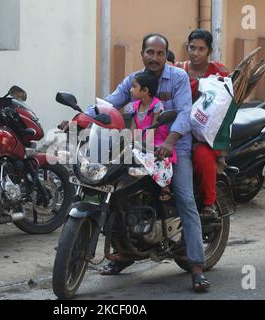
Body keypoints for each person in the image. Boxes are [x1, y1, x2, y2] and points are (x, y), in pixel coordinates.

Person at [60, 33, 209, 291]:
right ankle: (124, 252)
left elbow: (184, 113)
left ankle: (196, 266)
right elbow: (107, 105)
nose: (154, 57)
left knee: (185, 199)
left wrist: (171, 141)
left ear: (166, 55)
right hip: (139, 146)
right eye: (149, 52)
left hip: (174, 147)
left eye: (160, 53)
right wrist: (77, 121)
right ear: (142, 54)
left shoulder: (178, 78)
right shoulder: (134, 81)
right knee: (115, 188)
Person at [175, 29, 230, 220]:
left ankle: (209, 204)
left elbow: (226, 106)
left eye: (201, 49)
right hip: (179, 131)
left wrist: (222, 152)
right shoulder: (177, 70)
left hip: (208, 135)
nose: (195, 53)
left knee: (201, 156)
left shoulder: (220, 72)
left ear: (209, 51)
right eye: (192, 48)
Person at [124, 70, 176, 201]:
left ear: (145, 90)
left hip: (155, 140)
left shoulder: (156, 106)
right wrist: (131, 142)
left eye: (134, 86)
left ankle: (165, 186)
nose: (131, 90)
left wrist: (141, 146)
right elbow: (133, 126)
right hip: (139, 140)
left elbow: (154, 127)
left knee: (159, 157)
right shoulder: (134, 107)